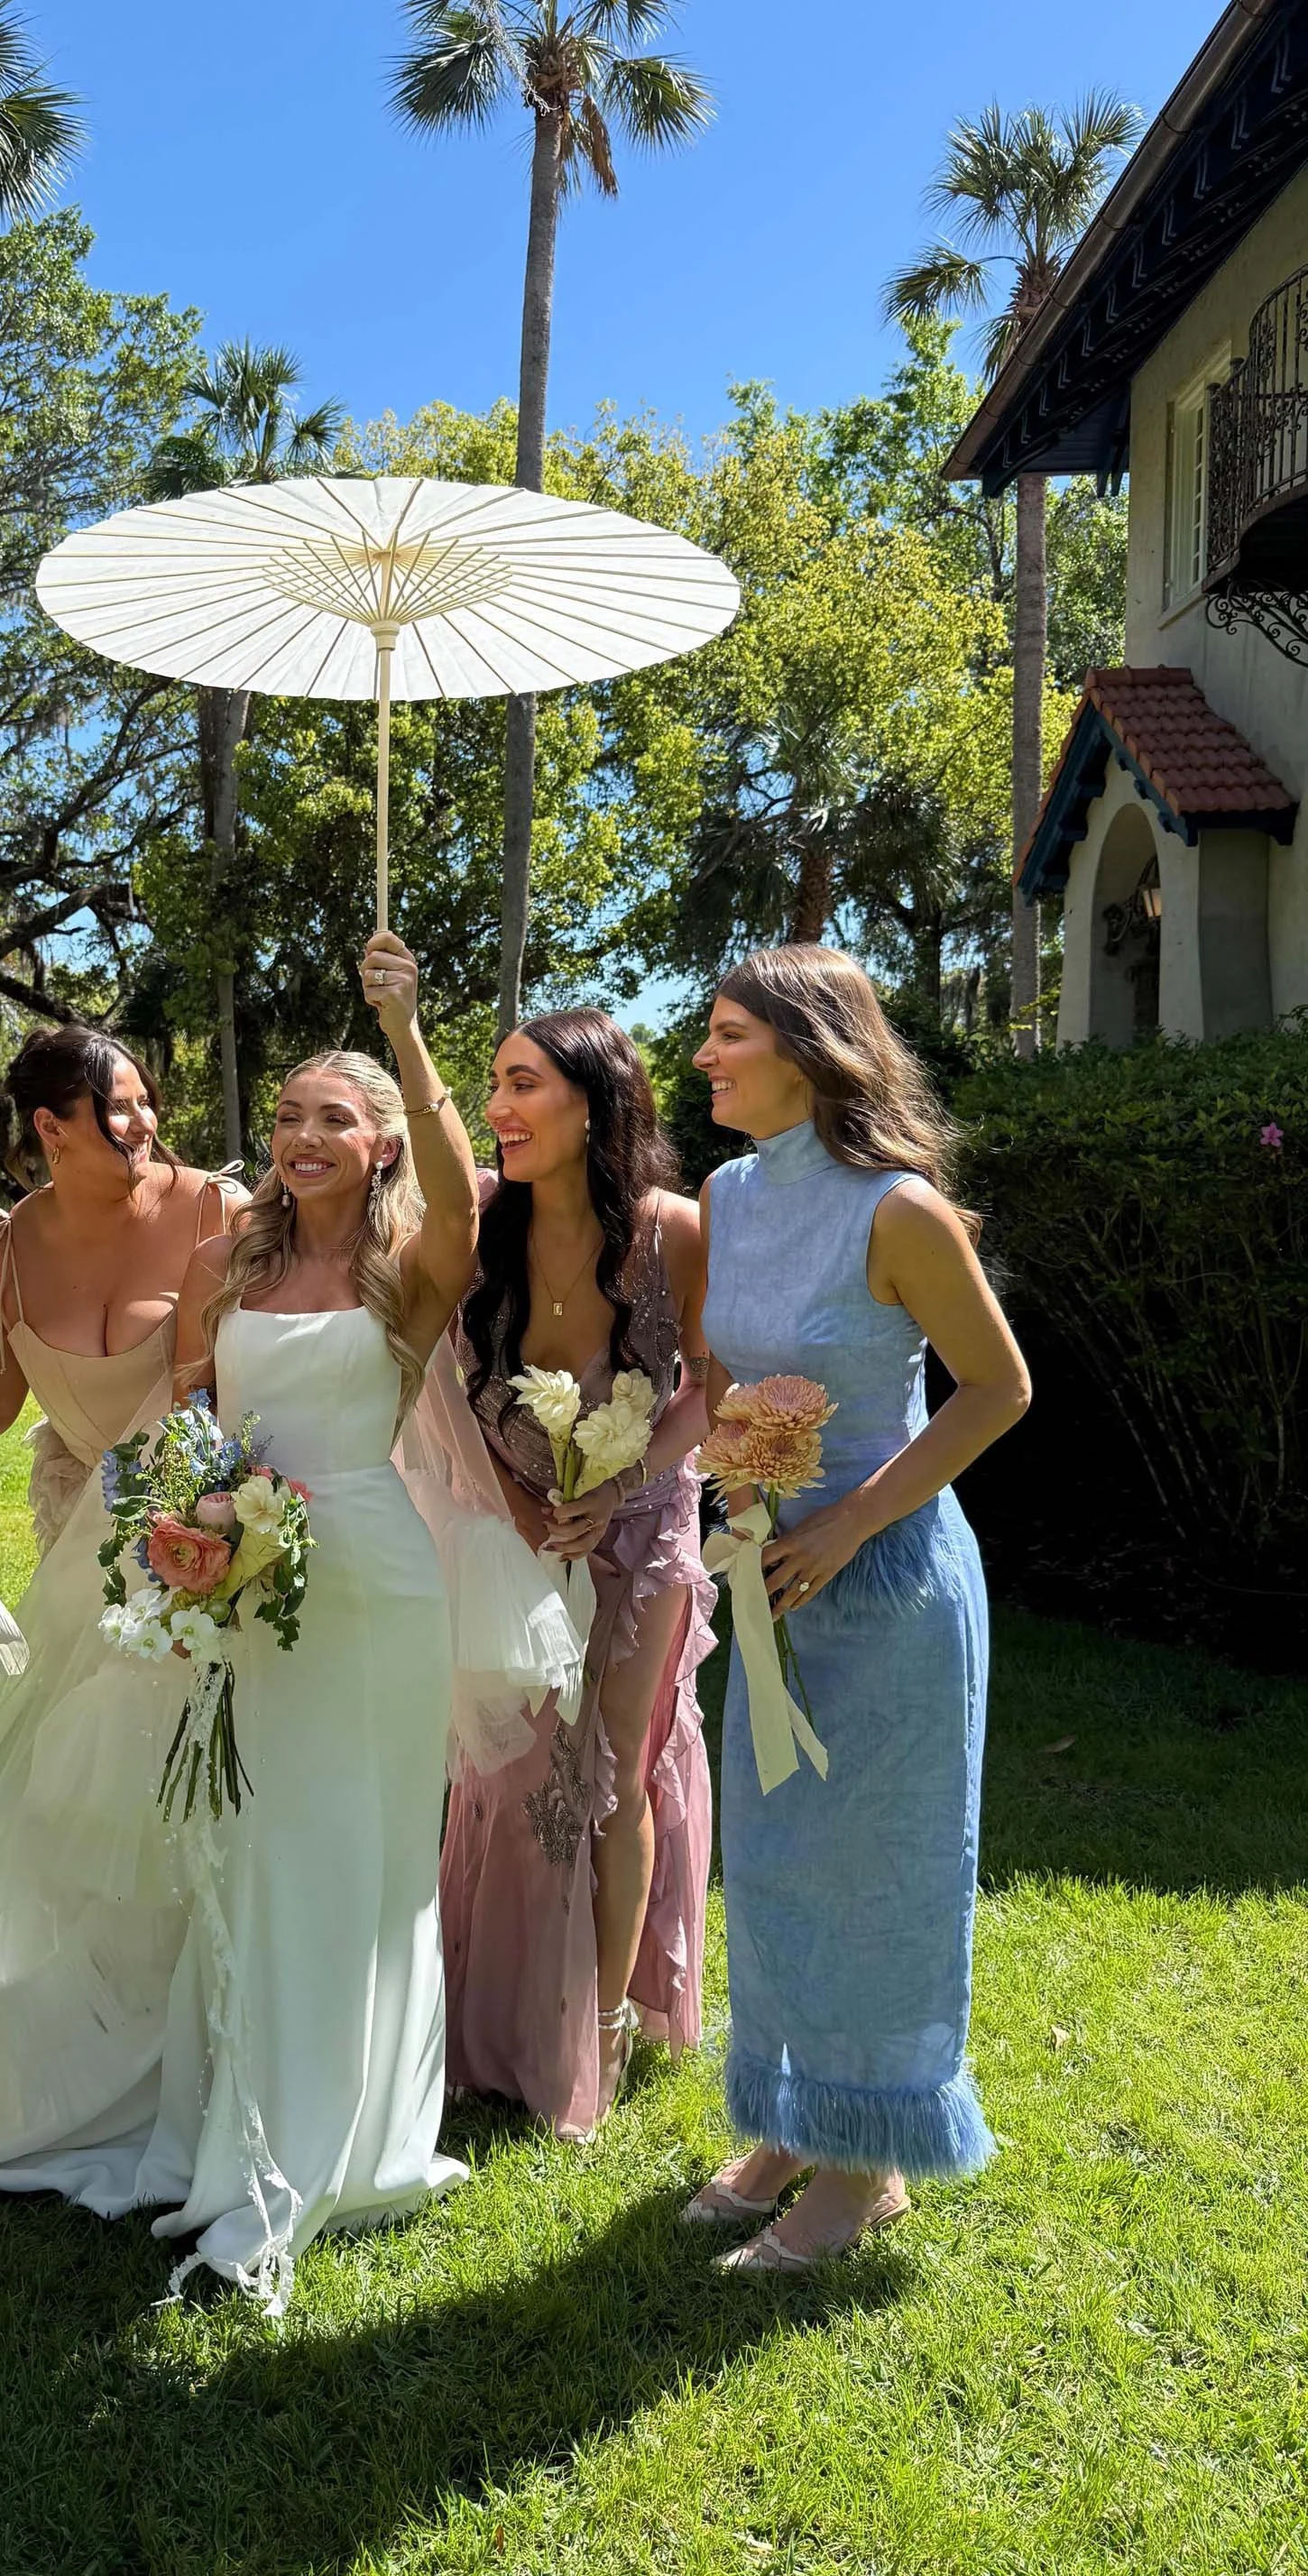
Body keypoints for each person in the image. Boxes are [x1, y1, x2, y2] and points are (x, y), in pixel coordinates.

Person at [0, 932, 484, 2307]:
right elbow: (190, 1421)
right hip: (240, 1582)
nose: (299, 1136)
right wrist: (188, 1537)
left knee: (360, 1862)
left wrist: (403, 1037)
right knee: (254, 1855)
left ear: (383, 1145)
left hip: (370, 1587)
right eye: (287, 1115)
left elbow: (467, 1199)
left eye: (332, 1120)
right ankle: (236, 2124)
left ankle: (353, 2141)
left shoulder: (406, 1276)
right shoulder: (234, 1263)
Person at [684, 946, 1029, 2271]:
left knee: (875, 1866)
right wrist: (742, 1487)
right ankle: (791, 2116)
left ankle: (866, 2164)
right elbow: (730, 1365)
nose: (705, 1057)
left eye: (726, 1035)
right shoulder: (722, 1191)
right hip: (767, 1572)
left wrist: (844, 1519)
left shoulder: (898, 1212)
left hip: (881, 1578)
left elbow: (996, 1390)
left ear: (809, 1047)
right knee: (773, 1861)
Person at [439, 1011, 715, 2139]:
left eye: (522, 1085)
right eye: (493, 1085)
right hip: (512, 1528)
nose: (499, 1109)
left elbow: (707, 1386)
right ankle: (489, 2016)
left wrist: (623, 1482)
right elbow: (453, 1388)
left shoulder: (677, 1232)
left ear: (593, 1104)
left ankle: (599, 2030)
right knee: (511, 1773)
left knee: (612, 1768)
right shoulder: (480, 1231)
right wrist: (518, 1506)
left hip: (644, 1530)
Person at [0, 1026, 245, 1552]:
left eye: (145, 1103)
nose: (144, 1125)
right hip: (85, 1539)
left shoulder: (220, 1211)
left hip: (218, 1529)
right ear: (50, 1126)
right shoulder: (2, 1254)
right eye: (120, 1108)